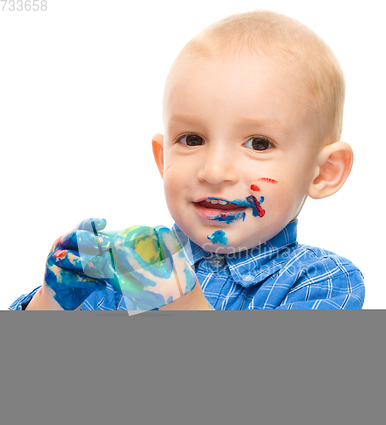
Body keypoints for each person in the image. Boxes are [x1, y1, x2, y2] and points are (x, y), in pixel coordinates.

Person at [9, 9, 365, 311]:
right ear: (163, 159)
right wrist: (49, 303)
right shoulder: (124, 270)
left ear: (324, 173)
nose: (213, 171)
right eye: (192, 139)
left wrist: (179, 299)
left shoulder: (325, 280)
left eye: (258, 143)